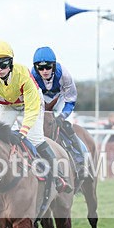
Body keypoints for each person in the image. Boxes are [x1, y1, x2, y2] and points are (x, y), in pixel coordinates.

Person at [0, 39, 71, 214]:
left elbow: (31, 109)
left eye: (3, 65)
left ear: (11, 62)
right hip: (8, 106)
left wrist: (23, 131)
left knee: (35, 139)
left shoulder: (22, 75)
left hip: (31, 104)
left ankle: (58, 176)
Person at [30, 46, 88, 179]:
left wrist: (63, 116)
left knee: (67, 125)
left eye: (48, 67)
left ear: (54, 66)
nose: (45, 71)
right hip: (40, 100)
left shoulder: (64, 75)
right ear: (36, 68)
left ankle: (80, 161)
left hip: (61, 100)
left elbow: (71, 99)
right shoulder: (32, 76)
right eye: (41, 68)